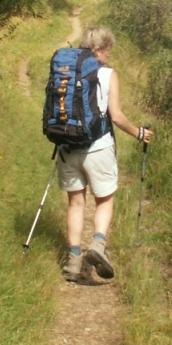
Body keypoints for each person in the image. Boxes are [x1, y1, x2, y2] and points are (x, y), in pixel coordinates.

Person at [57, 26, 153, 283]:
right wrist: (138, 133)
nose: (109, 54)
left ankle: (73, 262)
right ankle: (98, 244)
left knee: (76, 203)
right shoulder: (108, 74)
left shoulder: (65, 71)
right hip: (97, 148)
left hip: (67, 147)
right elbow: (117, 116)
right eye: (108, 49)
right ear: (99, 49)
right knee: (104, 200)